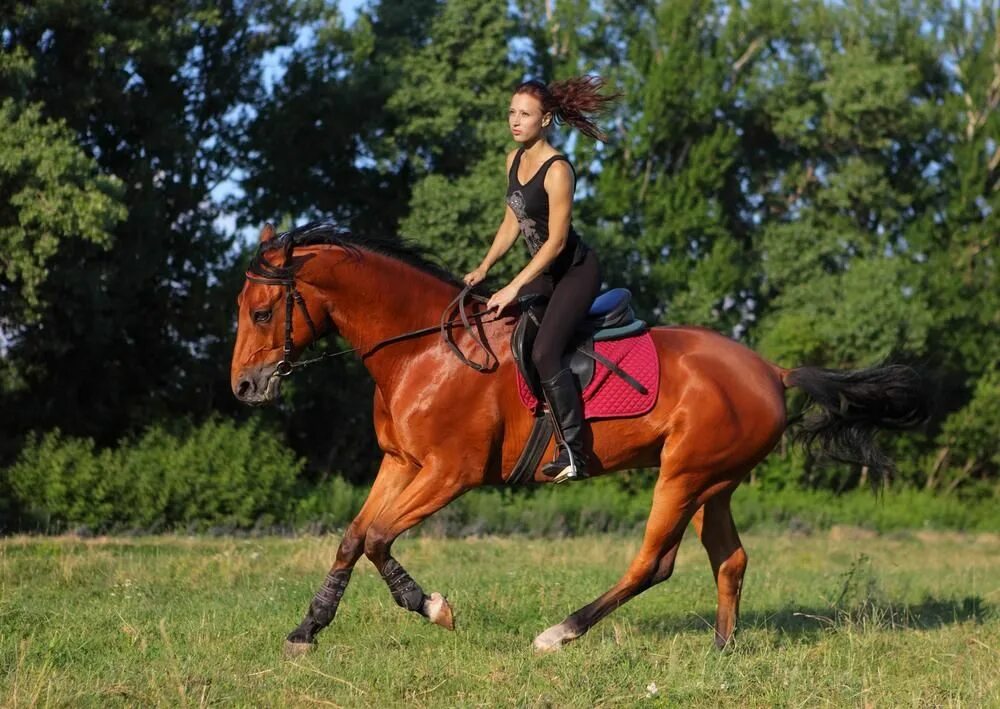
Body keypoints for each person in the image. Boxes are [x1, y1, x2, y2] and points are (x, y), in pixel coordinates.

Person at [463, 76, 619, 483]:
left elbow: (556, 242)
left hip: (574, 272)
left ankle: (573, 451)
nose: (516, 121)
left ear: (546, 119)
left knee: (546, 351)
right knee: (504, 329)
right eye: (512, 112)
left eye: (525, 114)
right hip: (544, 273)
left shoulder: (558, 170)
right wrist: (484, 267)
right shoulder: (512, 160)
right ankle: (533, 421)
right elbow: (511, 221)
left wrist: (514, 285)